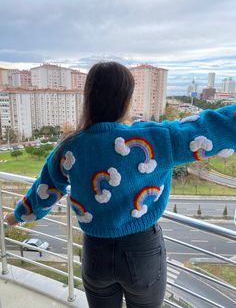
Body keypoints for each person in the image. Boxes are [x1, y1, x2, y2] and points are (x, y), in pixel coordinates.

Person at [5, 62, 236, 308]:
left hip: (96, 252)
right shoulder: (153, 138)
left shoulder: (69, 148)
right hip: (142, 250)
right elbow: (209, 128)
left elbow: (44, 192)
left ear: (89, 98)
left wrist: (16, 217)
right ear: (126, 99)